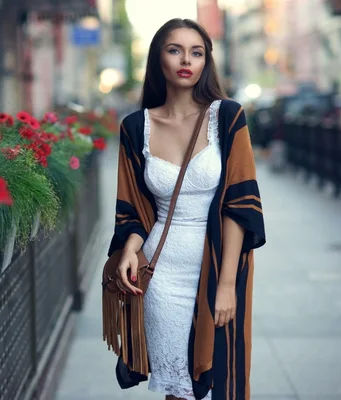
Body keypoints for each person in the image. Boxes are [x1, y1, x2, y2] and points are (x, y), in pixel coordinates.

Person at [101, 19, 266, 400]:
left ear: (206, 61)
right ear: (158, 58)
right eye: (175, 50)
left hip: (216, 266)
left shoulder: (227, 117)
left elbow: (238, 204)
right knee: (177, 391)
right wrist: (128, 248)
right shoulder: (134, 126)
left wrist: (226, 285)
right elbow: (133, 206)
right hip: (161, 274)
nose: (186, 60)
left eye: (197, 52)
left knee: (220, 376)